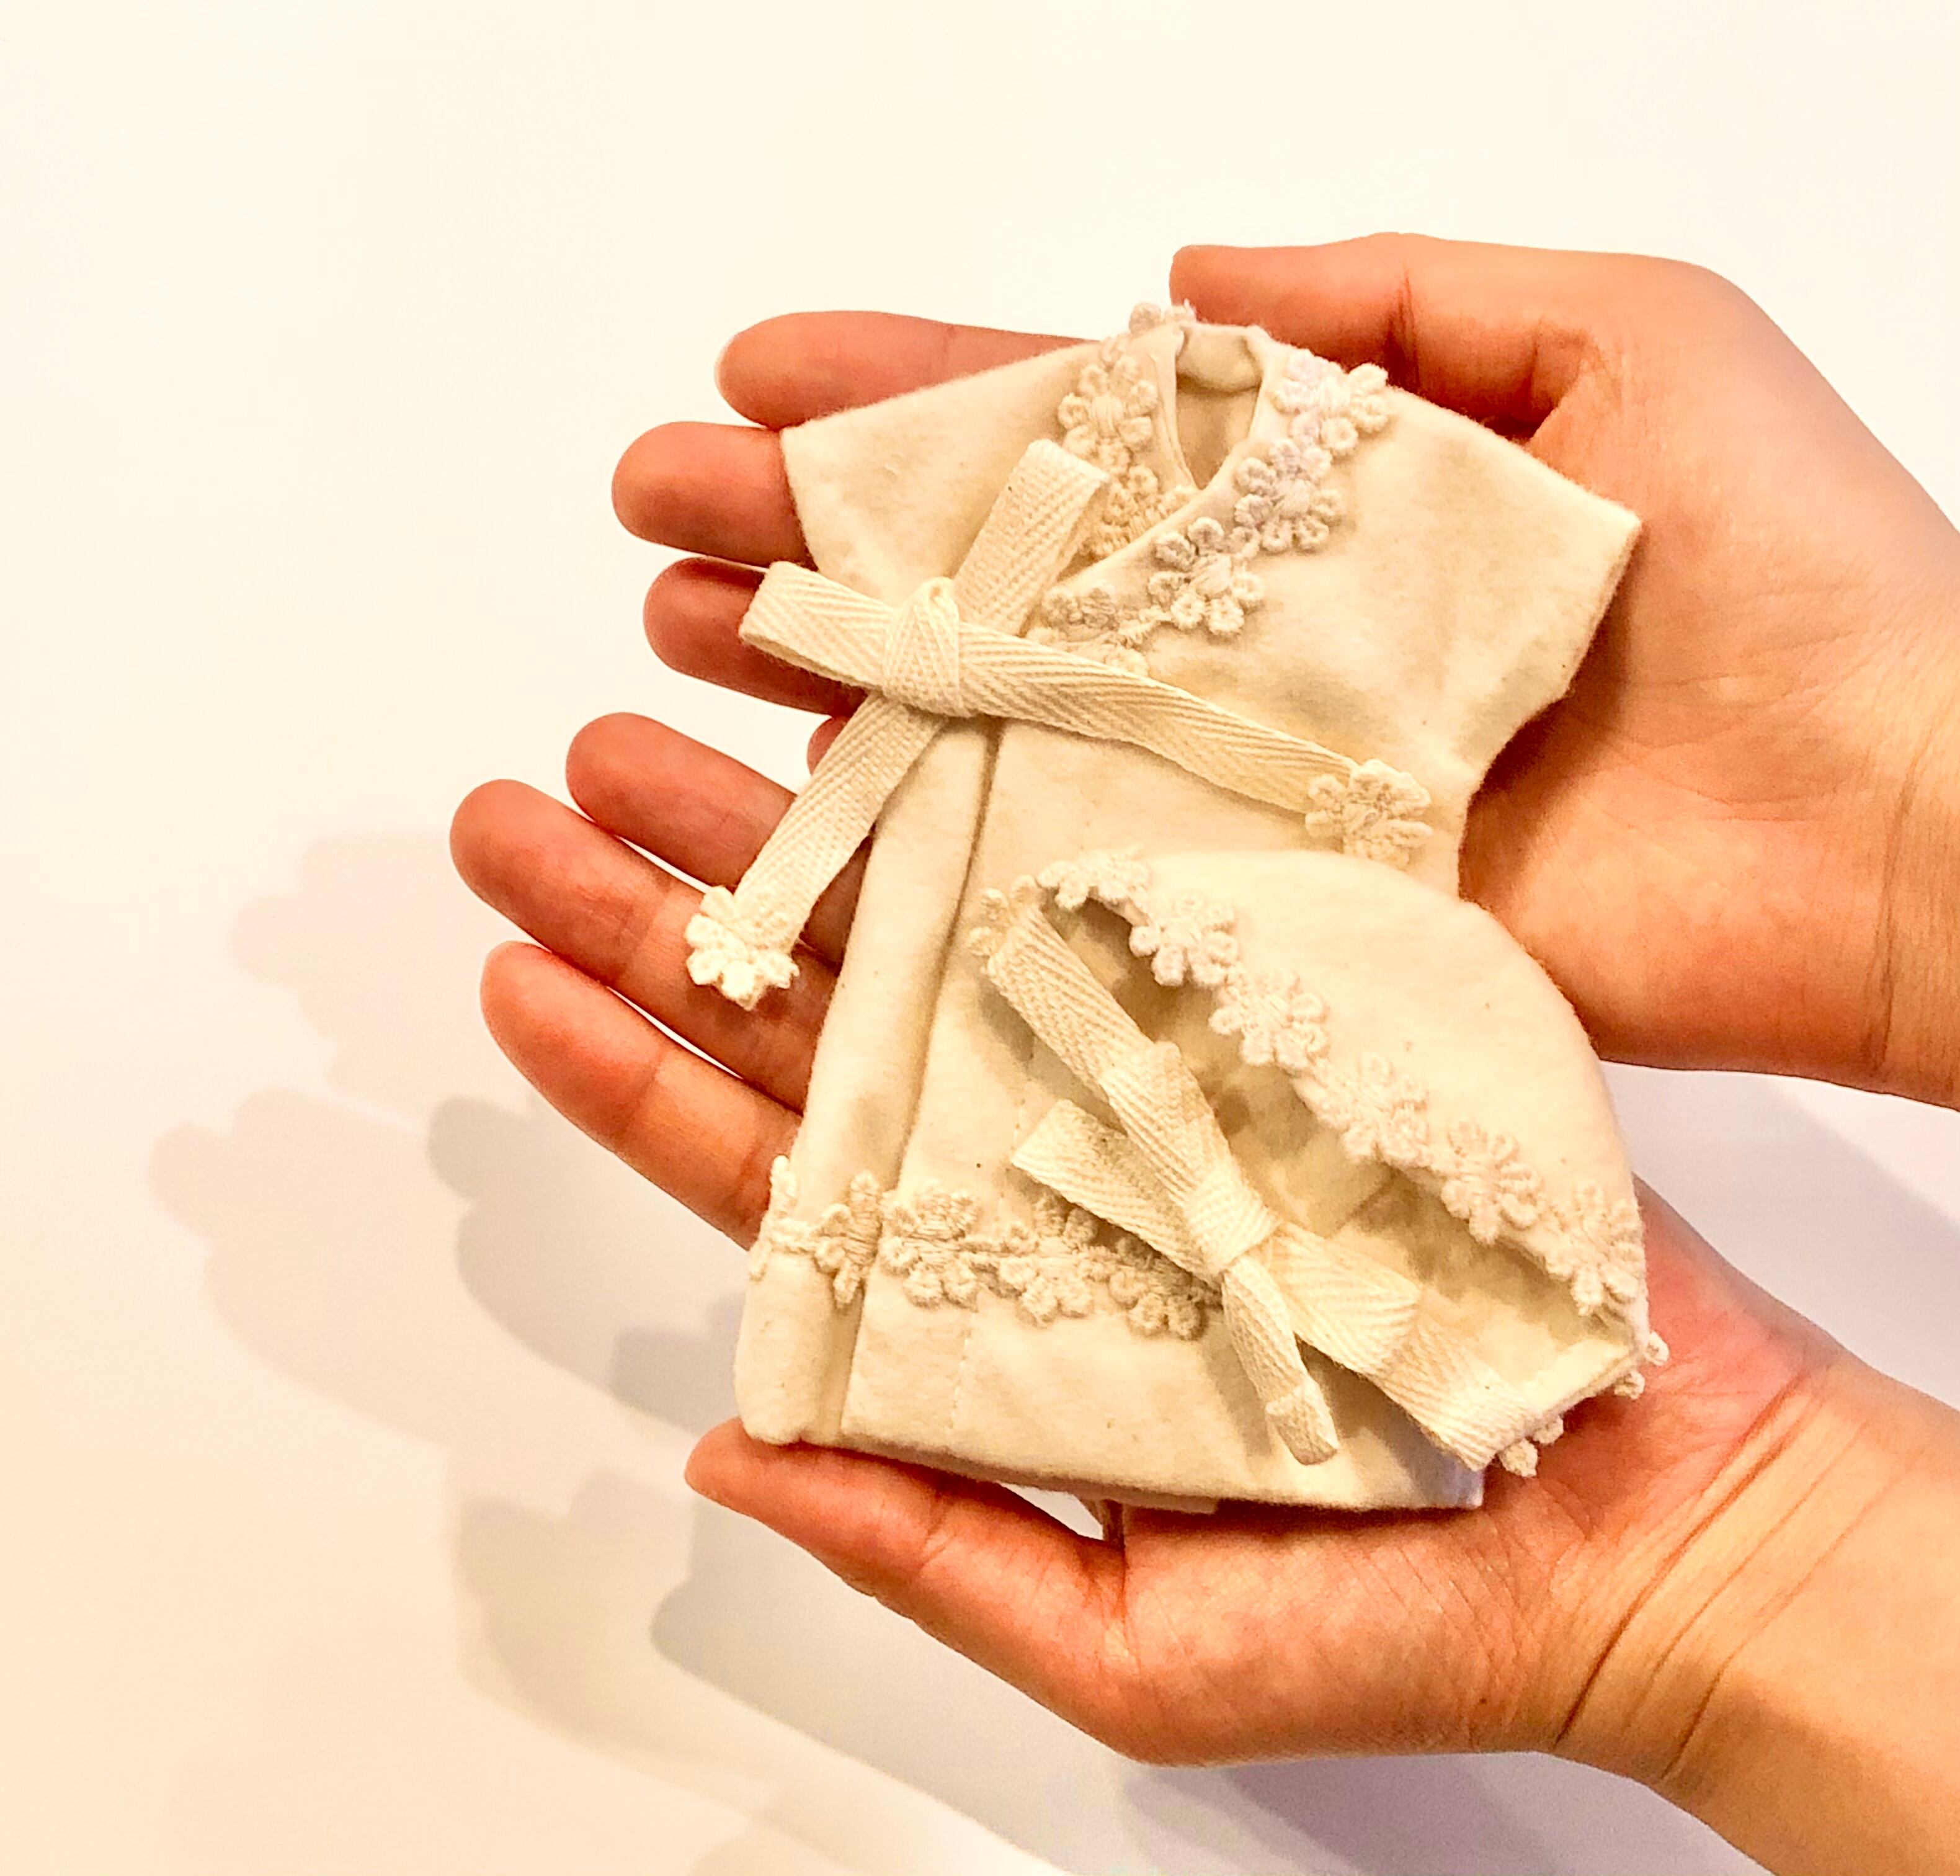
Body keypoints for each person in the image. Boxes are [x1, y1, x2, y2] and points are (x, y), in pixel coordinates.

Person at [451, 236, 1960, 1875]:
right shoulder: (1012, 442)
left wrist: (1901, 782)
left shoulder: (1431, 497)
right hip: (958, 939)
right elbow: (871, 544)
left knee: (1243, 1183)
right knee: (936, 1145)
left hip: (1289, 985)